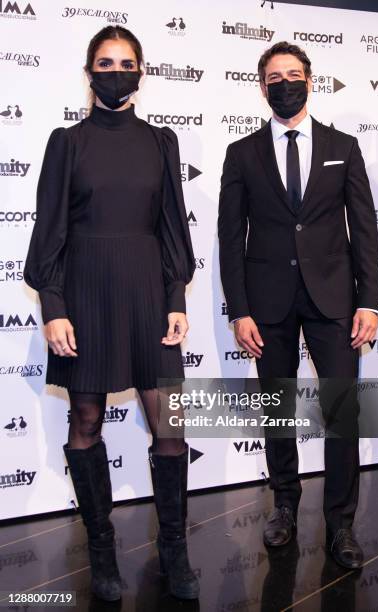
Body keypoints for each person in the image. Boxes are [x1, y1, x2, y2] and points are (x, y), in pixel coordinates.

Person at [24, 25, 199, 601]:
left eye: (126, 63)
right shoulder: (66, 141)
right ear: (89, 71)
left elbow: (173, 226)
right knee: (86, 422)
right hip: (88, 292)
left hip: (149, 292)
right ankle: (101, 549)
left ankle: (174, 547)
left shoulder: (161, 141)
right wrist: (54, 307)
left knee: (169, 426)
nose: (115, 71)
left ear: (141, 72)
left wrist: (176, 298)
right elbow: (49, 230)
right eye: (105, 62)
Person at [218, 41, 378, 569]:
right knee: (278, 412)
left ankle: (341, 525)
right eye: (274, 76)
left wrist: (370, 302)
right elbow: (229, 237)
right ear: (261, 87)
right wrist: (239, 309)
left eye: (294, 74)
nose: (285, 83)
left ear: (310, 80)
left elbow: (365, 230)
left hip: (334, 299)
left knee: (342, 415)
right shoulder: (241, 153)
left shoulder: (344, 146)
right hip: (267, 304)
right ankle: (285, 505)